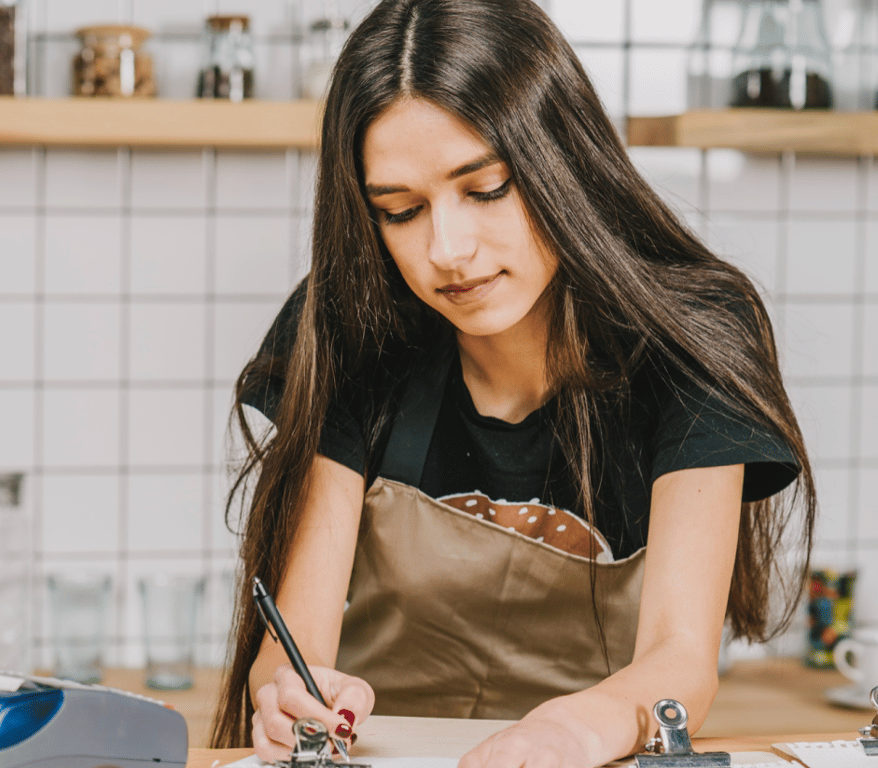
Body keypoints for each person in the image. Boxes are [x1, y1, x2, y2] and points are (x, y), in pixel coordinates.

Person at [208, 1, 816, 766]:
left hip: (595, 750)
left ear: (563, 160)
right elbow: (290, 647)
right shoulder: (345, 326)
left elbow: (679, 657)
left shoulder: (692, 339)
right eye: (399, 211)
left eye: (487, 188)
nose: (449, 249)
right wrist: (288, 700)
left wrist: (564, 734)